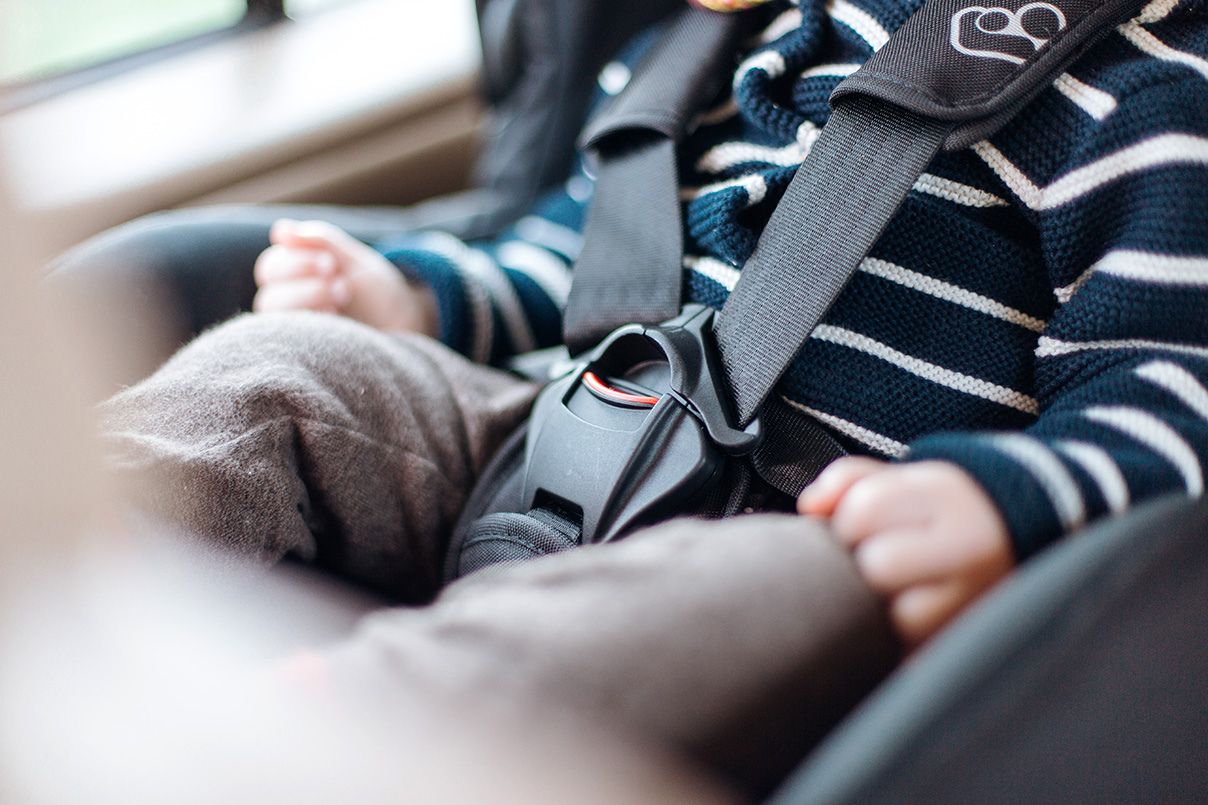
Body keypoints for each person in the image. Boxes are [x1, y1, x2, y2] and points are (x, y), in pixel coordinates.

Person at [94, 0, 1208, 787]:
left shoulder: (1147, 95)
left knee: (791, 587)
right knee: (284, 369)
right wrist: (419, 297)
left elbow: (1169, 389)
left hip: (818, 524)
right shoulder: (736, 37)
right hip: (553, 427)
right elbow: (577, 253)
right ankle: (71, 575)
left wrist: (1004, 505)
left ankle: (332, 740)